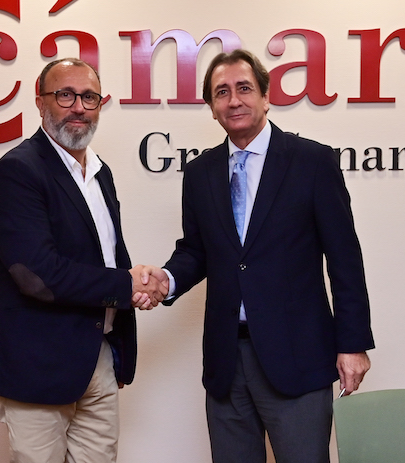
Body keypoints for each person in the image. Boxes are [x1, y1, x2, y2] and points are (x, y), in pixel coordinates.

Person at [144, 49, 374, 463]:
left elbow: (345, 260)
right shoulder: (200, 173)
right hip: (226, 362)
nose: (234, 100)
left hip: (299, 358)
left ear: (266, 98)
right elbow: (197, 250)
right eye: (222, 92)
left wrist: (353, 345)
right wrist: (167, 279)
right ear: (212, 107)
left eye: (244, 88)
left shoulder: (313, 162)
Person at [0, 58, 166, 463]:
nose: (79, 107)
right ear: (40, 102)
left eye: (89, 97)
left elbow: (107, 256)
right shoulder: (17, 171)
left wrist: (135, 287)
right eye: (65, 95)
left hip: (97, 358)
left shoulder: (100, 172)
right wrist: (126, 285)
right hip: (36, 366)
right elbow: (38, 275)